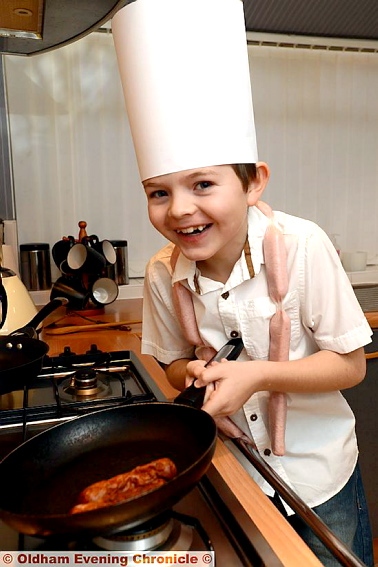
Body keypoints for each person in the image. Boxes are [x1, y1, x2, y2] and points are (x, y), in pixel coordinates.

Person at [140, 161, 374, 566]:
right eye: (158, 192)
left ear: (254, 183)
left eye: (203, 184)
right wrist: (192, 374)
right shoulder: (162, 273)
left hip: (320, 474)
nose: (178, 209)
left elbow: (351, 366)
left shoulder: (302, 245)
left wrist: (257, 374)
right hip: (238, 471)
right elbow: (174, 364)